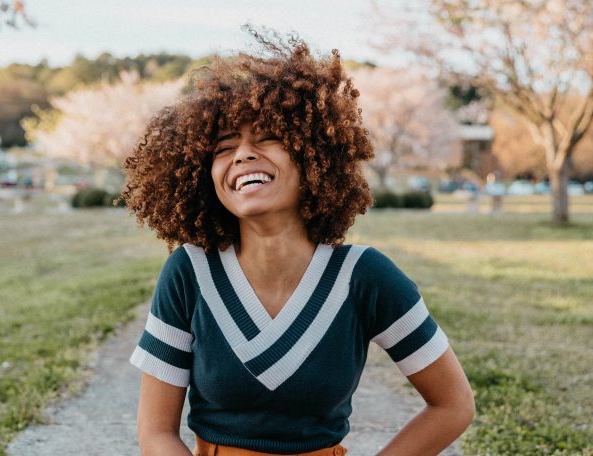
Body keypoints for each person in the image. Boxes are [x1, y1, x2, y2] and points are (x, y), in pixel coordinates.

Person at [120, 28, 475, 456]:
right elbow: (156, 433)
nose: (243, 155)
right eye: (224, 147)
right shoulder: (190, 271)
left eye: (267, 137)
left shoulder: (364, 276)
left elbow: (453, 405)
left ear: (314, 155)